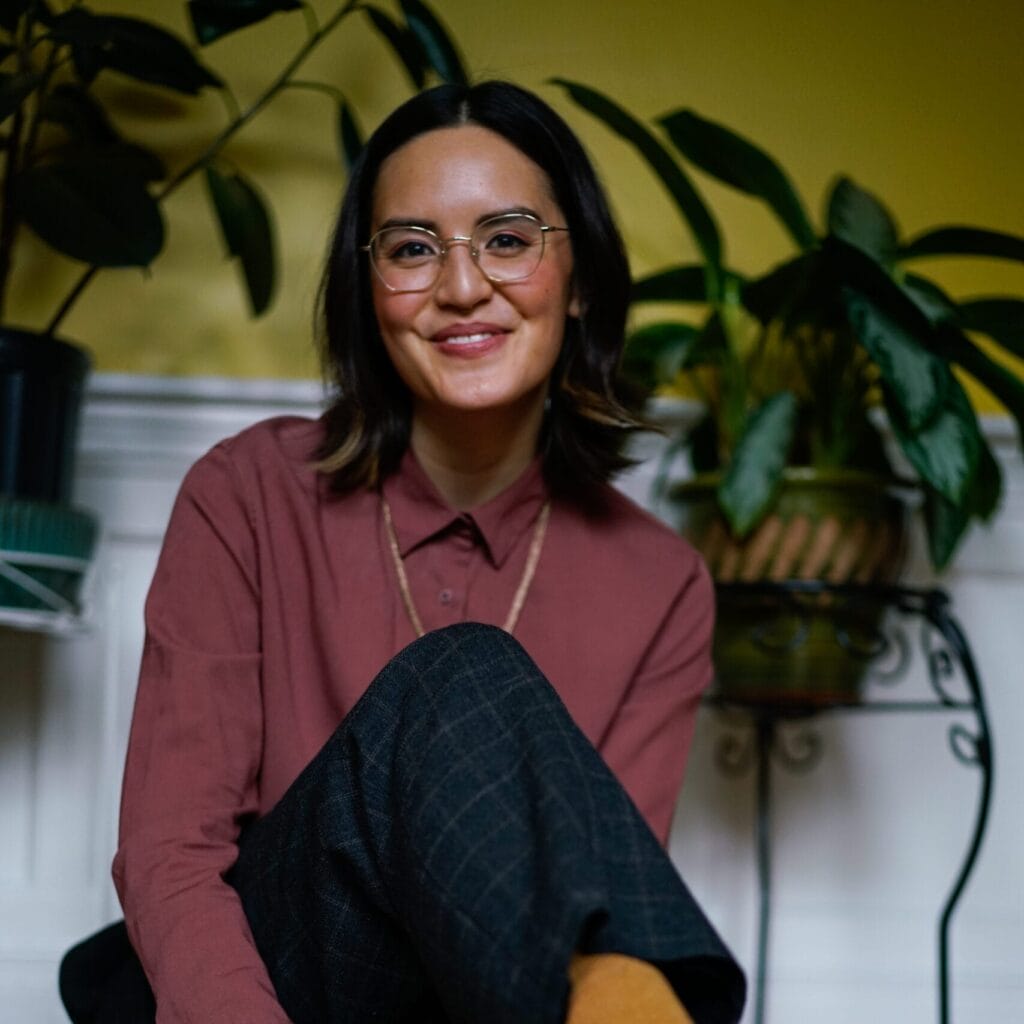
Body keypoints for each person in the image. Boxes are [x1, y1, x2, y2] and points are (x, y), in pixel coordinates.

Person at [59, 81, 744, 1024]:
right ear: (368, 289)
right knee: (462, 670)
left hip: (481, 1001)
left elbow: (596, 906)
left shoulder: (660, 583)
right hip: (259, 984)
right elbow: (171, 852)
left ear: (580, 278)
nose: (463, 287)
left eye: (507, 239)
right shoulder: (247, 492)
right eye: (414, 250)